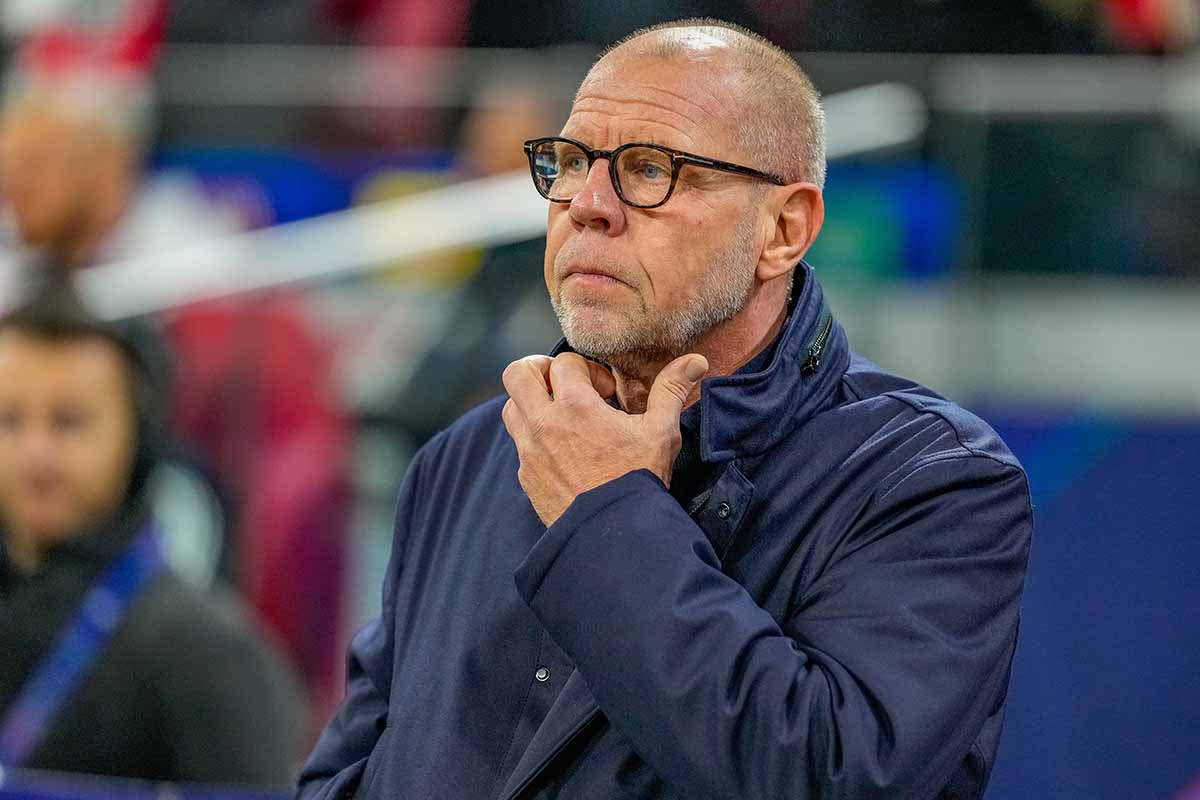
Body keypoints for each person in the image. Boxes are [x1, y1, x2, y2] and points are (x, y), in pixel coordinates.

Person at [299, 18, 1032, 800]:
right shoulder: (466, 456)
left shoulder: (933, 481)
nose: (588, 205)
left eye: (650, 169)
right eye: (571, 162)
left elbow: (827, 779)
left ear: (783, 230)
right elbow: (347, 776)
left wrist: (608, 516)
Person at [0, 286, 301, 786]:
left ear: (137, 437)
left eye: (68, 422)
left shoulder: (207, 654)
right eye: (8, 420)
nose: (36, 455)